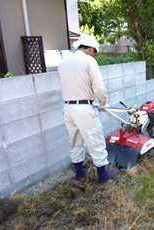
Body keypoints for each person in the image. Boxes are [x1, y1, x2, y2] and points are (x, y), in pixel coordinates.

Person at [58, 34, 119, 182]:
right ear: (91, 49)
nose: (95, 56)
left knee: (75, 141)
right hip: (83, 110)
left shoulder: (63, 62)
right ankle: (103, 175)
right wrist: (104, 103)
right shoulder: (88, 60)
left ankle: (80, 172)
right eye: (96, 53)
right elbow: (98, 87)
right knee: (95, 139)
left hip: (68, 108)